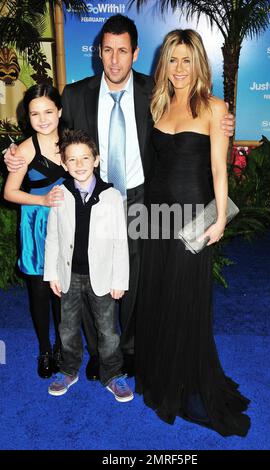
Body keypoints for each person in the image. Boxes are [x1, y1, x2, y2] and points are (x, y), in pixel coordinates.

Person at [4, 14, 235, 381]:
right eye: (108, 50)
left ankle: (127, 350)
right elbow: (54, 141)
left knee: (136, 276)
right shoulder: (76, 95)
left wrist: (224, 121)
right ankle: (98, 353)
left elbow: (192, 127)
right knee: (90, 272)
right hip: (93, 199)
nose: (114, 60)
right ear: (99, 51)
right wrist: (17, 153)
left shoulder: (155, 93)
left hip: (144, 196)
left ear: (136, 53)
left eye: (123, 51)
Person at [135, 29, 251, 437]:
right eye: (173, 59)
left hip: (194, 217)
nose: (180, 69)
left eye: (187, 60)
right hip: (156, 216)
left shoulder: (216, 109)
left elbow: (220, 170)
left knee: (186, 299)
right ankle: (162, 373)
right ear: (163, 63)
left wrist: (220, 219)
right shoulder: (157, 104)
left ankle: (186, 382)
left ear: (199, 63)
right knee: (160, 294)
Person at [44, 129, 133, 401]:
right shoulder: (59, 194)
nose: (79, 164)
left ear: (96, 160)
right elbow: (54, 238)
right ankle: (68, 369)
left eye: (85, 158)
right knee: (67, 327)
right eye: (72, 159)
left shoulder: (111, 196)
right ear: (63, 162)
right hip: (68, 274)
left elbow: (120, 241)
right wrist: (52, 274)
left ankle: (113, 374)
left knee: (107, 329)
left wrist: (120, 280)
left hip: (103, 278)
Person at [4, 84, 66, 378]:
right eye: (35, 113)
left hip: (68, 226)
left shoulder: (73, 142)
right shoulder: (25, 149)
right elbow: (9, 192)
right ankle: (45, 349)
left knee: (63, 292)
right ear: (27, 117)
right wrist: (41, 200)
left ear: (60, 112)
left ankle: (63, 347)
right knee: (40, 292)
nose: (42, 119)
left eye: (48, 111)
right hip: (37, 227)